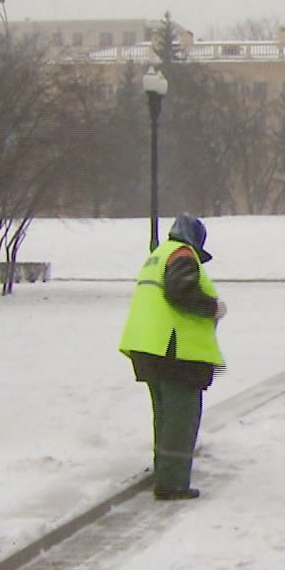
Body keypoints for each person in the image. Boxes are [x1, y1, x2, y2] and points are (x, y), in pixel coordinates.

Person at [118, 214, 225, 500]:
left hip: (151, 349)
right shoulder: (181, 254)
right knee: (181, 420)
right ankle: (173, 483)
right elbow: (182, 291)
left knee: (166, 418)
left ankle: (165, 472)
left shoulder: (158, 254)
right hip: (174, 352)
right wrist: (212, 307)